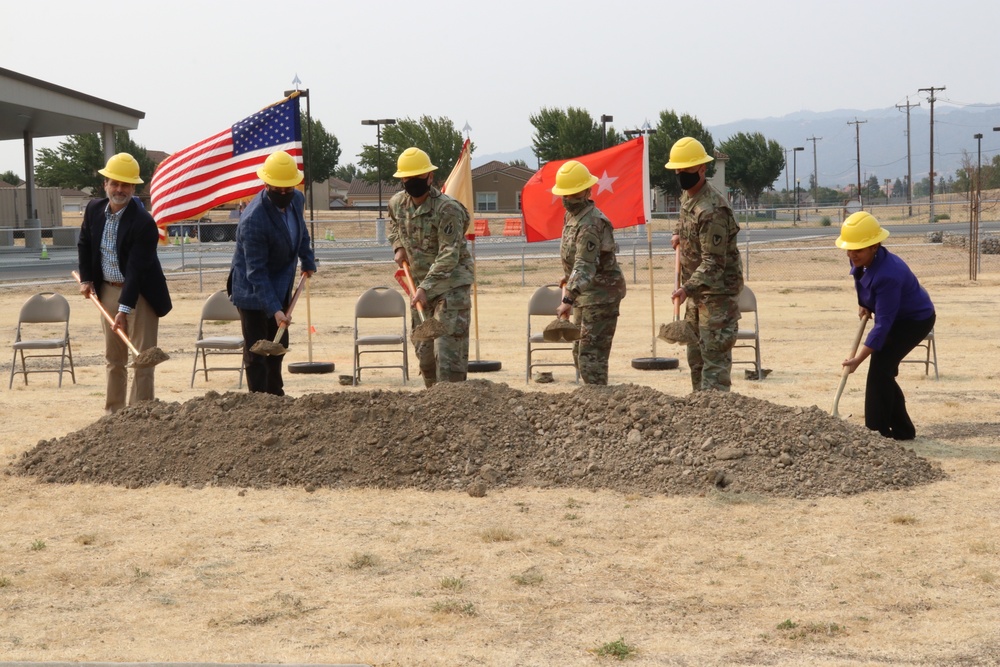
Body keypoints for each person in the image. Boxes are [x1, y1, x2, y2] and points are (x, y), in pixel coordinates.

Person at [78, 153, 172, 414]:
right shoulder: (93, 210)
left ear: (134, 188)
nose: (120, 190)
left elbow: (136, 271)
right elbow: (85, 244)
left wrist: (124, 309)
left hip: (140, 294)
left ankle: (139, 415)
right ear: (105, 183)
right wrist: (87, 279)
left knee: (142, 359)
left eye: (126, 185)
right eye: (115, 183)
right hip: (107, 289)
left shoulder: (144, 223)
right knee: (114, 358)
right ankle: (114, 414)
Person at [837, 211, 935, 440]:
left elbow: (882, 326)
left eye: (858, 249)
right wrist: (864, 303)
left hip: (914, 321)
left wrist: (857, 360)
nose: (852, 254)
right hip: (896, 316)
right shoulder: (864, 260)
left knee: (879, 370)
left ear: (875, 245)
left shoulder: (889, 274)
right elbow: (860, 280)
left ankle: (876, 433)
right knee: (884, 372)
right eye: (849, 249)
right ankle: (903, 431)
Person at [229, 150, 316, 395]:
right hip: (251, 290)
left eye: (288, 189)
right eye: (277, 189)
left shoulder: (296, 200)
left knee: (278, 345)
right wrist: (276, 310)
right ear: (266, 184)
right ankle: (259, 402)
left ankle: (276, 397)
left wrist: (307, 260)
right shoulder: (253, 219)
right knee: (258, 350)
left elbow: (301, 233)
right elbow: (256, 272)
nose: (284, 194)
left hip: (280, 283)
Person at [387, 147, 474, 388]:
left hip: (450, 286)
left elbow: (449, 254)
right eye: (408, 179)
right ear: (402, 179)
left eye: (418, 178)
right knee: (424, 354)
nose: (413, 183)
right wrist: (397, 246)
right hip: (420, 289)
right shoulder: (397, 204)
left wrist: (425, 287)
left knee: (447, 355)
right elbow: (393, 225)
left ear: (430, 178)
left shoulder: (448, 209)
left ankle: (454, 406)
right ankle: (433, 407)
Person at [665, 137, 744, 392]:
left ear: (702, 169)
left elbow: (713, 263)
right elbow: (684, 220)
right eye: (677, 171)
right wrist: (679, 234)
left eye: (686, 171)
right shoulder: (690, 197)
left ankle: (717, 421)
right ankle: (699, 418)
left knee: (714, 363)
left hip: (717, 296)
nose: (681, 176)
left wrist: (687, 288)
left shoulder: (712, 210)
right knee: (696, 359)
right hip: (697, 294)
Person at [552, 160, 626, 385]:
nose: (568, 200)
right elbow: (577, 259)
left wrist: (568, 297)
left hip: (601, 296)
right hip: (586, 294)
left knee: (591, 357)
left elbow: (586, 264)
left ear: (586, 191)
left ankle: (601, 405)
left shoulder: (591, 223)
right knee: (580, 353)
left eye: (573, 194)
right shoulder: (572, 218)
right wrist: (569, 276)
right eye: (565, 195)